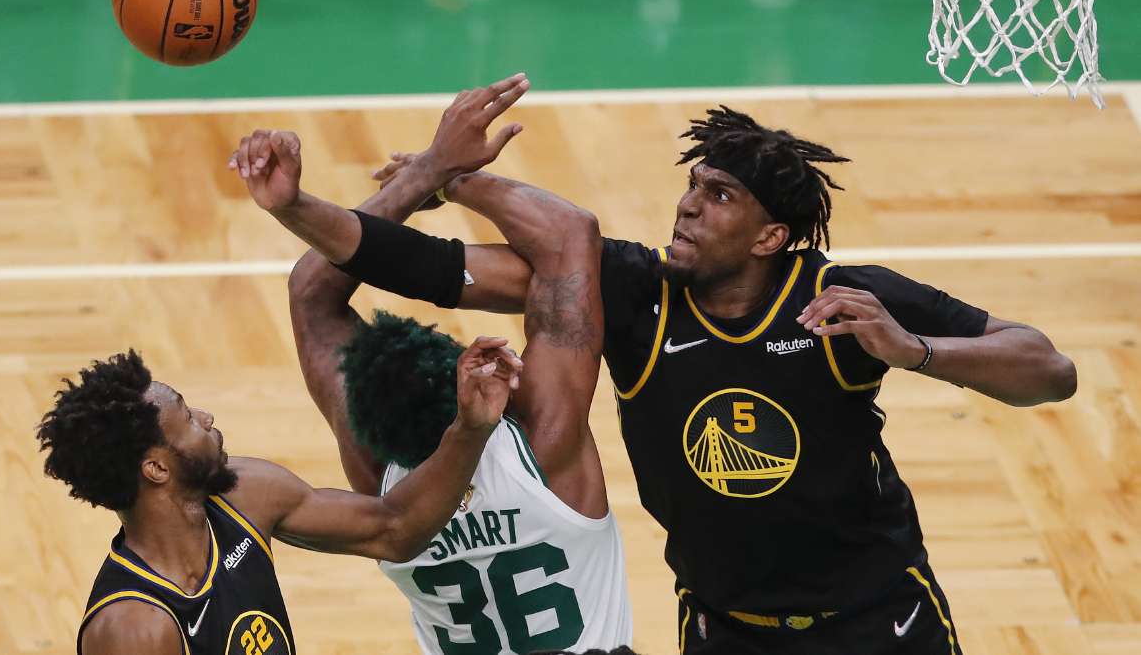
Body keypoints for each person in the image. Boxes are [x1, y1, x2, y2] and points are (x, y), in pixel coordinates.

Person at [280, 103, 1078, 655]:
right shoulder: (636, 292)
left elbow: (1050, 369)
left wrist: (916, 352)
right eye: (692, 185)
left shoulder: (845, 299)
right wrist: (439, 179)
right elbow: (422, 265)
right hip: (726, 629)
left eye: (718, 194)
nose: (688, 206)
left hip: (879, 621)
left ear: (771, 235)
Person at [227, 74, 634, 654]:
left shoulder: (382, 492)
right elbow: (571, 236)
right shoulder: (545, 442)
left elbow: (312, 294)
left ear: (365, 425)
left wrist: (423, 174)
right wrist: (453, 177)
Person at [39, 339, 520, 655]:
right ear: (157, 468)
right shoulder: (134, 629)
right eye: (186, 418)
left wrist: (470, 429)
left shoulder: (247, 494)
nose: (205, 418)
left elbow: (394, 528)